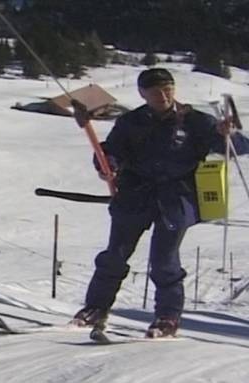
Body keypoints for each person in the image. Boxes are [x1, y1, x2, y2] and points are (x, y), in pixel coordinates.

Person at [71, 68, 249, 338]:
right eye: (155, 92)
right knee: (115, 255)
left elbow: (237, 147)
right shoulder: (131, 122)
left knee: (164, 260)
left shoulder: (195, 121)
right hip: (135, 195)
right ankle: (95, 308)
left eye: (168, 90)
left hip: (176, 197)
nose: (163, 96)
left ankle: (167, 317)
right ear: (142, 94)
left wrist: (229, 134)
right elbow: (111, 151)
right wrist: (107, 165)